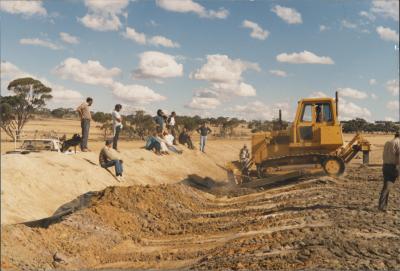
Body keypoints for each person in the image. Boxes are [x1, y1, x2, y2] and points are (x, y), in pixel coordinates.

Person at [378, 131, 400, 211]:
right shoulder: (398, 143)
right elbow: (398, 156)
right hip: (394, 167)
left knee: (386, 187)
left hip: (385, 166)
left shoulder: (388, 142)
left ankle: (382, 206)